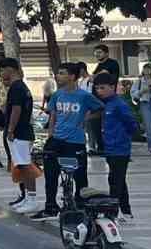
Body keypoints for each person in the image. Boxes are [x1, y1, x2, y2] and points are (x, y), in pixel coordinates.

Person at [33, 62, 103, 221]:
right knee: (51, 174)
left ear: (72, 76)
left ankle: (81, 206)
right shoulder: (57, 95)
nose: (58, 76)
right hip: (56, 140)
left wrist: (86, 119)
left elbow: (100, 109)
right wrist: (50, 135)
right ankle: (50, 207)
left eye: (62, 73)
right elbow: (53, 116)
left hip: (75, 142)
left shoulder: (84, 96)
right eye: (58, 73)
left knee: (80, 176)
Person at [0, 58, 42, 214]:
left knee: (25, 165)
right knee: (21, 165)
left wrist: (10, 129)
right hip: (22, 132)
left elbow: (16, 110)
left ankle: (32, 199)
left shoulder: (17, 87)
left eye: (3, 70)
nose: (1, 74)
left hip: (20, 133)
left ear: (11, 69)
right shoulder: (19, 87)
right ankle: (26, 197)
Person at [92, 72, 136, 222]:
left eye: (102, 88)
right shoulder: (107, 104)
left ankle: (113, 212)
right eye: (97, 88)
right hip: (110, 148)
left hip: (120, 149)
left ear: (113, 87)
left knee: (115, 181)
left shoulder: (119, 104)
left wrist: (123, 139)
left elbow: (131, 124)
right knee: (119, 180)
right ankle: (126, 210)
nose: (99, 91)